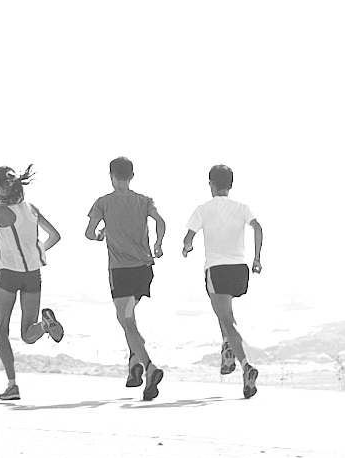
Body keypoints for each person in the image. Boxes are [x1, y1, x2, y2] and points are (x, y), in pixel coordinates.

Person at [0, 165, 63, 401]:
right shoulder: (32, 209)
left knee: (2, 329)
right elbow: (55, 236)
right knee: (28, 334)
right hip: (33, 276)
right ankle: (44, 327)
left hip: (9, 275)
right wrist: (38, 251)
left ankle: (12, 385)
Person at [86, 156, 169, 401]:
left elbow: (89, 233)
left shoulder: (103, 202)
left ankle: (149, 367)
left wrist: (101, 234)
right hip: (144, 269)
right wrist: (158, 244)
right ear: (132, 176)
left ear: (111, 176)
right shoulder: (144, 201)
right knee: (125, 317)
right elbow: (161, 222)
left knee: (127, 321)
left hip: (120, 270)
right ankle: (134, 362)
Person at [182, 164, 264, 399]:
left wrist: (187, 248)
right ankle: (227, 353)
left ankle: (246, 365)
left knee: (227, 321)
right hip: (240, 269)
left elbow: (188, 237)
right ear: (230, 185)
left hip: (216, 269)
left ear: (211, 184)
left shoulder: (203, 209)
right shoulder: (242, 207)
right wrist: (257, 258)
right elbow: (258, 228)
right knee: (226, 314)